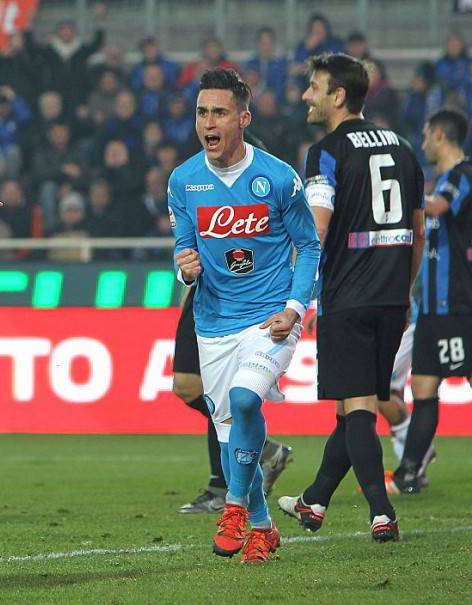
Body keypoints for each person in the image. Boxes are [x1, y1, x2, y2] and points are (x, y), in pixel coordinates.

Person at [170, 68, 319, 562]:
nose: (207, 122)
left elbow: (309, 247)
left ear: (242, 118)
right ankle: (262, 527)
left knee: (244, 399)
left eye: (218, 112)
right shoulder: (184, 181)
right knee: (237, 440)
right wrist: (184, 269)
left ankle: (233, 507)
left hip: (268, 318)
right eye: (201, 112)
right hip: (212, 324)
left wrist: (295, 309)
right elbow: (184, 254)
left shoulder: (277, 177)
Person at [278, 54, 425, 543]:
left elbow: (317, 227)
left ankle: (381, 513)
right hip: (391, 296)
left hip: (349, 294)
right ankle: (315, 500)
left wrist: (296, 291)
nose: (305, 95)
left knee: (357, 406)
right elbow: (420, 231)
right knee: (349, 410)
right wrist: (404, 289)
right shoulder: (404, 148)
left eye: (314, 87)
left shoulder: (325, 152)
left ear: (338, 96)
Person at [389, 109, 472, 494]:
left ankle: (409, 470)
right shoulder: (443, 180)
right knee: (423, 387)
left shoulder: (463, 175)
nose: (422, 141)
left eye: (425, 134)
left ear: (440, 135)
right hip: (434, 309)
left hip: (459, 304)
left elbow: (437, 208)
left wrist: (395, 195)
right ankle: (409, 472)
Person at [173, 284, 295, 514]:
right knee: (185, 385)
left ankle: (222, 489)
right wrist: (188, 287)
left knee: (225, 396)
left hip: (245, 293)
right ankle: (264, 451)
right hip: (202, 295)